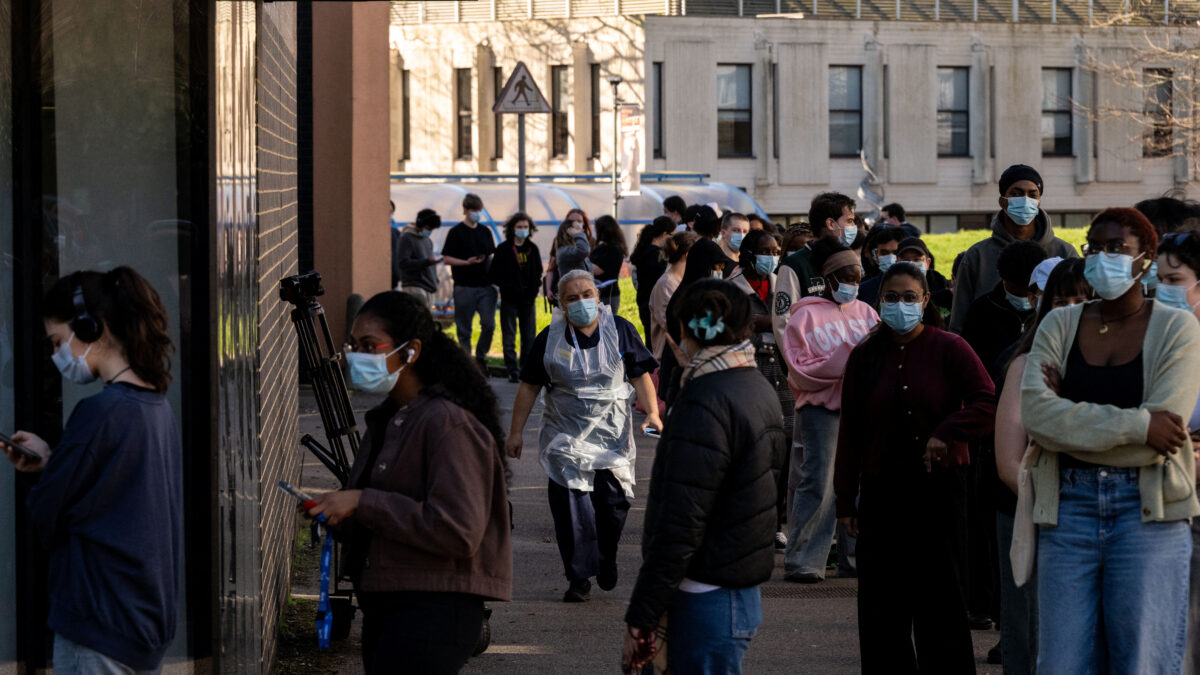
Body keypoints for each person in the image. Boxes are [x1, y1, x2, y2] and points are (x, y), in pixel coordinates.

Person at [1020, 208, 1200, 674]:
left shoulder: (1178, 328)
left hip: (1149, 509)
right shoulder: (1059, 325)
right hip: (1068, 508)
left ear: (1146, 256)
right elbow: (1038, 417)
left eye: (1116, 247)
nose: (1103, 258)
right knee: (1061, 663)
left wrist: (1072, 423)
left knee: (1142, 661)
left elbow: (1171, 426)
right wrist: (1141, 425)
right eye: (1094, 248)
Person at [308, 291, 512, 674]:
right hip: (389, 602)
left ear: (411, 350)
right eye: (352, 345)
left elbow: (459, 529)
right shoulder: (389, 419)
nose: (356, 356)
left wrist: (361, 502)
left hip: (434, 610)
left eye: (369, 346)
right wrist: (340, 514)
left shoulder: (446, 423)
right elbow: (381, 514)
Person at [3, 268, 181, 674]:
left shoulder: (100, 413)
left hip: (98, 624)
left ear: (91, 328)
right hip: (141, 625)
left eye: (58, 342)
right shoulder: (156, 407)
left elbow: (47, 510)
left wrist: (46, 473)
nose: (57, 356)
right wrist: (54, 460)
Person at [835, 262, 997, 674]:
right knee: (882, 607)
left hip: (939, 490)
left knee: (941, 601)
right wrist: (845, 501)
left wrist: (949, 430)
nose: (901, 305)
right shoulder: (865, 357)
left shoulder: (950, 348)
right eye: (892, 297)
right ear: (879, 302)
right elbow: (850, 431)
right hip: (881, 492)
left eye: (910, 297)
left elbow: (987, 401)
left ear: (926, 301)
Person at [622, 279, 787, 675]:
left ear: (684, 332)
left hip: (702, 597)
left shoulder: (703, 400)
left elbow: (680, 521)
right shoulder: (755, 385)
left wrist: (643, 612)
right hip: (735, 591)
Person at [506, 270, 662, 603]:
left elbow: (640, 376)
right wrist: (515, 432)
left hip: (610, 434)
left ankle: (606, 555)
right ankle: (578, 576)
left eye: (587, 294)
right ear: (559, 303)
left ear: (598, 296)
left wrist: (652, 412)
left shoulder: (620, 330)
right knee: (571, 508)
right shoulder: (549, 338)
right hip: (565, 434)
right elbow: (529, 386)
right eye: (572, 297)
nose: (581, 302)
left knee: (613, 505)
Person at [992, 257, 1089, 675]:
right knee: (1030, 632)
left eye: (1084, 299)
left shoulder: (1124, 361)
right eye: (1061, 300)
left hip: (1102, 519)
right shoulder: (1024, 363)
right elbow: (1007, 460)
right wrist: (1057, 507)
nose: (1071, 309)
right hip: (1033, 512)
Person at [781, 239, 880, 583]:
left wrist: (848, 363)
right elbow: (802, 369)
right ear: (831, 279)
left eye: (858, 277)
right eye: (847, 277)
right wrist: (850, 359)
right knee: (819, 483)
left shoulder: (868, 313)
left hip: (861, 412)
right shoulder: (804, 315)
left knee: (858, 484)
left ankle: (853, 557)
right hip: (820, 411)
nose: (854, 284)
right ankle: (805, 559)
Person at [950, 164, 1079, 334]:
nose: (1025, 200)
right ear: (1002, 200)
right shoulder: (978, 256)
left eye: (1032, 195)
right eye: (1016, 194)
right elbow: (959, 322)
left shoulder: (1064, 253)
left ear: (1039, 202)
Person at [1152, 231, 1200, 675]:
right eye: (1157, 280)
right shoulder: (1154, 341)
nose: (1162, 290)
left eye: (1174, 279)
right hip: (1166, 505)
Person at [728, 229, 795, 549]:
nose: (773, 255)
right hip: (749, 372)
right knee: (750, 451)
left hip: (783, 373)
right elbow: (732, 321)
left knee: (783, 448)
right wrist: (772, 321)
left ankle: (775, 523)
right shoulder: (732, 287)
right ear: (749, 254)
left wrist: (763, 320)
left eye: (777, 249)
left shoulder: (784, 281)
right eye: (766, 250)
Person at [661, 239, 736, 406]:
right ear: (702, 266)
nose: (720, 272)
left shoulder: (706, 294)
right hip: (683, 372)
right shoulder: (688, 298)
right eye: (716, 267)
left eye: (722, 268)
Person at [962, 241, 1047, 384]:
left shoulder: (1050, 310)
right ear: (1003, 279)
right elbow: (969, 361)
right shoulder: (981, 310)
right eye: (1017, 292)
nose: (1025, 299)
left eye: (1030, 293)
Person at [774, 192, 857, 334]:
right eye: (849, 221)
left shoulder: (848, 260)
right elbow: (784, 322)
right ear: (831, 224)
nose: (854, 226)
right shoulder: (794, 264)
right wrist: (799, 356)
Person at [441, 193, 497, 374]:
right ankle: (466, 363)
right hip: (464, 286)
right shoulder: (456, 232)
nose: (476, 214)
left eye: (478, 211)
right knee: (463, 328)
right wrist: (466, 262)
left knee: (489, 324)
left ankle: (481, 356)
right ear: (465, 210)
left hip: (485, 286)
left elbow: (491, 254)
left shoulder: (485, 232)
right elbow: (447, 258)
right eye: (472, 210)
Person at [489, 212, 543, 383]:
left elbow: (538, 272)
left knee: (529, 335)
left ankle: (525, 368)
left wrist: (533, 290)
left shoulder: (532, 249)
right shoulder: (504, 249)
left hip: (528, 300)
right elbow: (494, 274)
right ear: (512, 228)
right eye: (519, 227)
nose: (523, 230)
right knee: (509, 334)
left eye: (525, 227)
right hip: (509, 299)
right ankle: (512, 369)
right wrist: (508, 288)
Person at [631, 216, 677, 344]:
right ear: (664, 234)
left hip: (643, 300)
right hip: (653, 302)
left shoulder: (645, 250)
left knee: (650, 338)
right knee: (656, 341)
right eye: (672, 235)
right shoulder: (657, 256)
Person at [394, 208, 443, 305]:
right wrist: (427, 261)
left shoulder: (427, 241)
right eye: (428, 228)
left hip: (429, 287)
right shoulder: (406, 238)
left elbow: (430, 264)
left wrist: (435, 281)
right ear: (420, 223)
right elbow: (403, 263)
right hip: (415, 287)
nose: (429, 232)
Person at [545, 214, 593, 307]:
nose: (582, 230)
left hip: (582, 293)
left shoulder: (574, 249)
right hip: (573, 296)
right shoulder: (565, 251)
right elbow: (584, 250)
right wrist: (578, 235)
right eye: (577, 228)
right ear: (569, 231)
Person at [858, 226, 907, 307]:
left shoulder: (921, 288)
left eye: (896, 253)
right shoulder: (863, 290)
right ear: (877, 254)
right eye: (884, 253)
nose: (891, 257)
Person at [590, 215, 628, 314]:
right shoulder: (601, 247)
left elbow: (598, 270)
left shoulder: (612, 249)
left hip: (607, 295)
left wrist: (582, 260)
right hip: (599, 293)